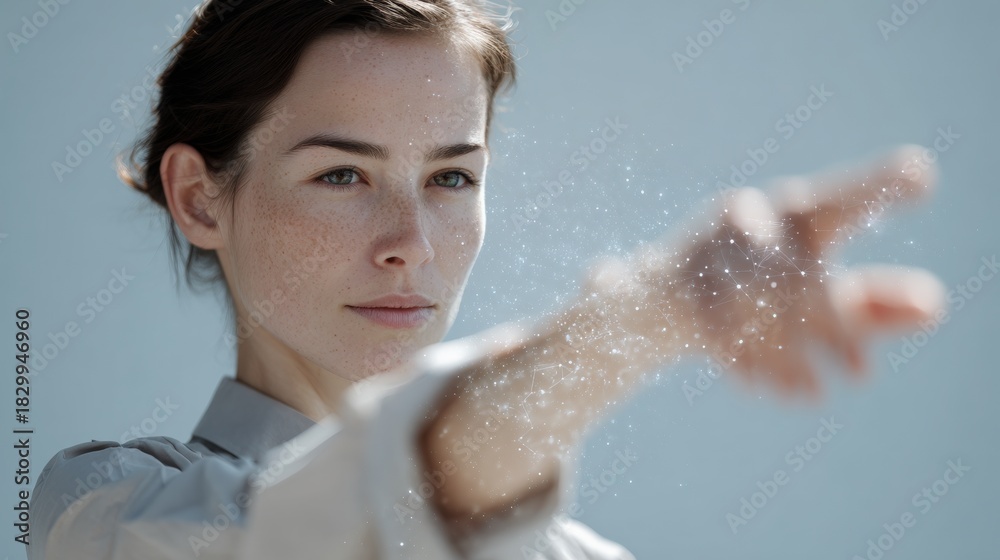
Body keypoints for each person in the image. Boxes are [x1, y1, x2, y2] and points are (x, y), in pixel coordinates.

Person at [26, 0, 946, 558]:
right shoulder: (103, 514)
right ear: (198, 199)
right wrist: (645, 315)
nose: (410, 241)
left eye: (451, 178)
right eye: (341, 174)